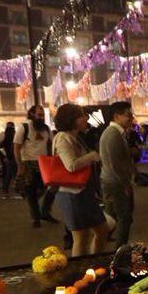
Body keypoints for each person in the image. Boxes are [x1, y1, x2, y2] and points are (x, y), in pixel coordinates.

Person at [50, 104, 105, 256]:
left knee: (101, 230)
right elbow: (71, 166)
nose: (86, 118)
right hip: (72, 193)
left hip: (82, 191)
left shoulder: (74, 137)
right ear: (72, 119)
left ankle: (93, 262)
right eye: (81, 116)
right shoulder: (63, 138)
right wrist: (92, 156)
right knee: (81, 237)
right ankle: (80, 271)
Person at [13, 105, 58, 228]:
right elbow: (16, 147)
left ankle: (45, 211)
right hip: (28, 163)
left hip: (44, 163)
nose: (41, 117)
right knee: (31, 192)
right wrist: (20, 166)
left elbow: (51, 146)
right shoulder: (24, 127)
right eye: (39, 114)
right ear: (32, 114)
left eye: (43, 115)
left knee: (53, 187)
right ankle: (36, 217)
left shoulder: (46, 129)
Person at [99, 101, 136, 245]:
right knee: (124, 217)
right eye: (128, 115)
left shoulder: (117, 133)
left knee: (112, 216)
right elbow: (116, 164)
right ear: (116, 116)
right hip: (115, 182)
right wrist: (126, 184)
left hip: (113, 180)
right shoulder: (112, 134)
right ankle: (120, 250)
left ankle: (103, 241)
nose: (131, 118)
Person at [0, 121, 17, 199]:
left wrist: (4, 156)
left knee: (8, 174)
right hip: (15, 157)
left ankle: (5, 189)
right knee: (14, 173)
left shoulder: (5, 138)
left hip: (9, 158)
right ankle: (18, 189)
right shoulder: (15, 136)